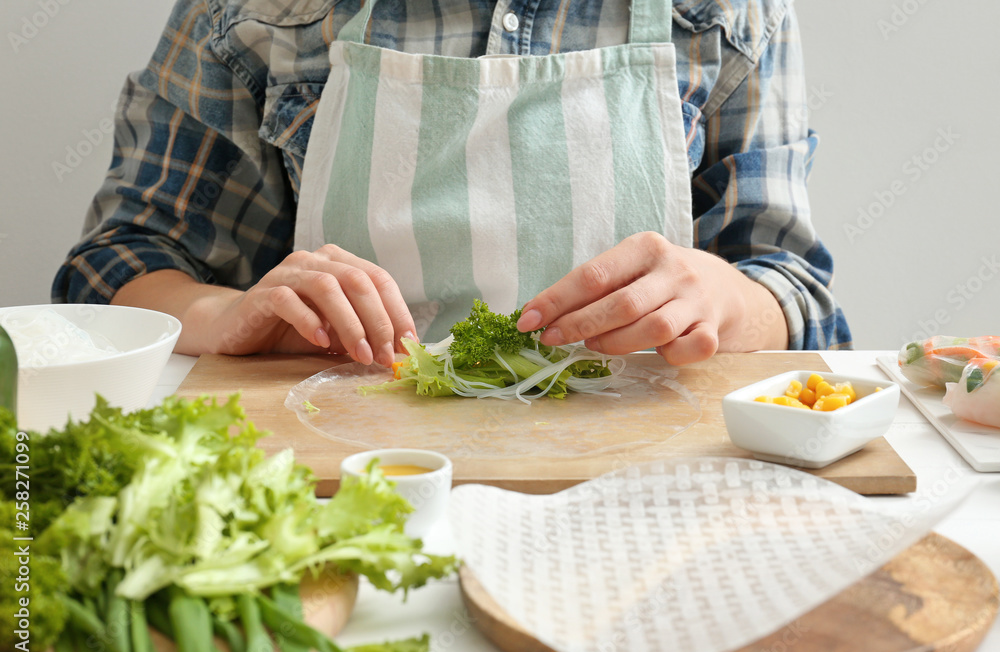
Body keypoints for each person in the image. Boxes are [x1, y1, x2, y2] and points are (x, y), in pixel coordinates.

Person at [52, 0, 852, 368]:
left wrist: (725, 297)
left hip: (642, 486)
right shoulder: (257, 12)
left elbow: (801, 301)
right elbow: (110, 272)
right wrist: (226, 312)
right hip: (343, 475)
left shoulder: (727, 14)